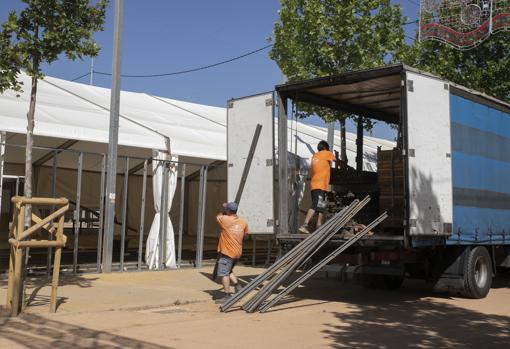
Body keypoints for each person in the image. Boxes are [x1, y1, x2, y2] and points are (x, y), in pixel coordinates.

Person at [299, 140, 338, 234]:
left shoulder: (315, 156)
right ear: (325, 148)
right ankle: (305, 225)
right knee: (316, 205)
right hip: (320, 185)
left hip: (315, 185)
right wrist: (347, 167)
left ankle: (319, 226)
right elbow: (338, 162)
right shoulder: (326, 153)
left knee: (321, 205)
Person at [214, 201, 249, 304]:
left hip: (227, 252)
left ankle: (226, 295)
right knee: (228, 270)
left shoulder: (224, 219)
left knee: (224, 273)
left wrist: (223, 210)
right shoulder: (243, 222)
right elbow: (246, 235)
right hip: (237, 252)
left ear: (228, 210)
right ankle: (238, 286)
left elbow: (218, 216)